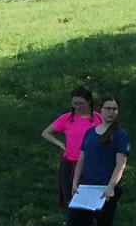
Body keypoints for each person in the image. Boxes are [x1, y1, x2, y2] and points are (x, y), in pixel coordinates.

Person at [68, 96, 130, 226]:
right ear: (100, 110)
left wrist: (111, 187)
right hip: (87, 188)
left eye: (114, 109)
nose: (111, 112)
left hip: (106, 189)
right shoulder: (90, 132)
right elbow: (81, 160)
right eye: (108, 108)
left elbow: (120, 164)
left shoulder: (120, 134)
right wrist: (75, 182)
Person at [41, 85, 101, 216]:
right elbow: (46, 133)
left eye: (81, 103)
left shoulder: (98, 118)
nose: (77, 107)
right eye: (74, 103)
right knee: (70, 201)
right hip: (70, 163)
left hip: (91, 164)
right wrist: (60, 143)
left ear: (89, 101)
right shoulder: (67, 118)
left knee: (90, 204)